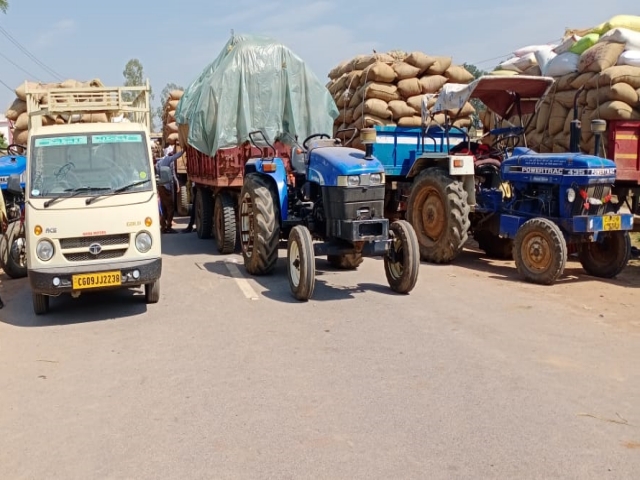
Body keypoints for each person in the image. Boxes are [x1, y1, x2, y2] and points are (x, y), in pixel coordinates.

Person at [155, 149, 184, 233]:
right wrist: (184, 151)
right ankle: (168, 227)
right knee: (170, 208)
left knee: (163, 207)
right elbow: (173, 174)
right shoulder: (169, 159)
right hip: (166, 187)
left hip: (160, 187)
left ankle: (163, 227)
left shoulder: (160, 161)